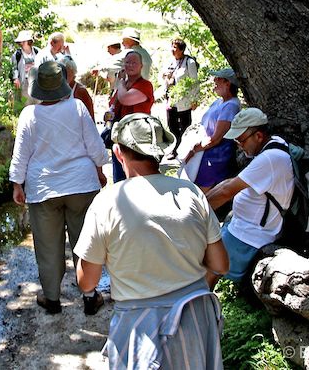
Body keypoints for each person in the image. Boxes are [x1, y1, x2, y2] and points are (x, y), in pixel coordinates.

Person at [75, 113, 229, 369]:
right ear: (160, 151)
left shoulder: (107, 202)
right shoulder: (189, 192)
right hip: (195, 317)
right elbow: (221, 265)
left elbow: (87, 281)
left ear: (117, 152)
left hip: (139, 327)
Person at [9, 61, 108, 315]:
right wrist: (99, 171)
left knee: (47, 244)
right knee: (84, 241)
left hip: (43, 188)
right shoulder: (77, 107)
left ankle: (52, 299)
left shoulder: (29, 115)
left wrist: (17, 184)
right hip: (81, 185)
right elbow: (95, 146)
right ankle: (89, 295)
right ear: (63, 84)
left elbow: (20, 155)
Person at [205, 108, 293, 289]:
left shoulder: (270, 158)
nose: (238, 144)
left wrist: (195, 212)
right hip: (242, 227)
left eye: (241, 139)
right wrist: (200, 201)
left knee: (204, 271)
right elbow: (230, 184)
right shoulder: (273, 145)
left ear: (259, 136)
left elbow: (226, 192)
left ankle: (198, 309)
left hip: (249, 236)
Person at [180, 68, 241, 192]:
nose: (215, 80)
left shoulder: (231, 106)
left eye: (218, 78)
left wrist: (193, 150)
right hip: (205, 150)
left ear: (227, 83)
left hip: (215, 156)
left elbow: (216, 139)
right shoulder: (219, 102)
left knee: (200, 194)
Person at [106, 51, 154, 183]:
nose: (130, 65)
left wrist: (120, 82)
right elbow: (114, 104)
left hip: (137, 137)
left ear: (141, 66)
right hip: (119, 136)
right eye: (127, 62)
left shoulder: (145, 85)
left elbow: (125, 99)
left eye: (134, 63)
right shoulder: (123, 85)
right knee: (120, 176)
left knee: (137, 176)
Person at [162, 38, 199, 155]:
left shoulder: (189, 62)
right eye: (172, 47)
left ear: (181, 50)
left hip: (185, 100)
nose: (172, 50)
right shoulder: (170, 61)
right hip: (171, 99)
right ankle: (175, 147)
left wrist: (194, 100)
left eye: (175, 48)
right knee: (171, 125)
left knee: (185, 126)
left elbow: (194, 82)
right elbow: (163, 77)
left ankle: (184, 149)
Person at [11, 30, 40, 106]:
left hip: (37, 81)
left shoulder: (37, 51)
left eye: (23, 41)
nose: (22, 43)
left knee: (39, 102)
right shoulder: (17, 54)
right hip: (25, 81)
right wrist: (15, 78)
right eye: (20, 42)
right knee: (27, 103)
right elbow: (14, 67)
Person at [62, 55, 95, 121]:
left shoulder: (80, 91)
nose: (65, 75)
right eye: (63, 72)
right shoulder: (58, 90)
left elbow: (90, 116)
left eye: (68, 72)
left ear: (73, 72)